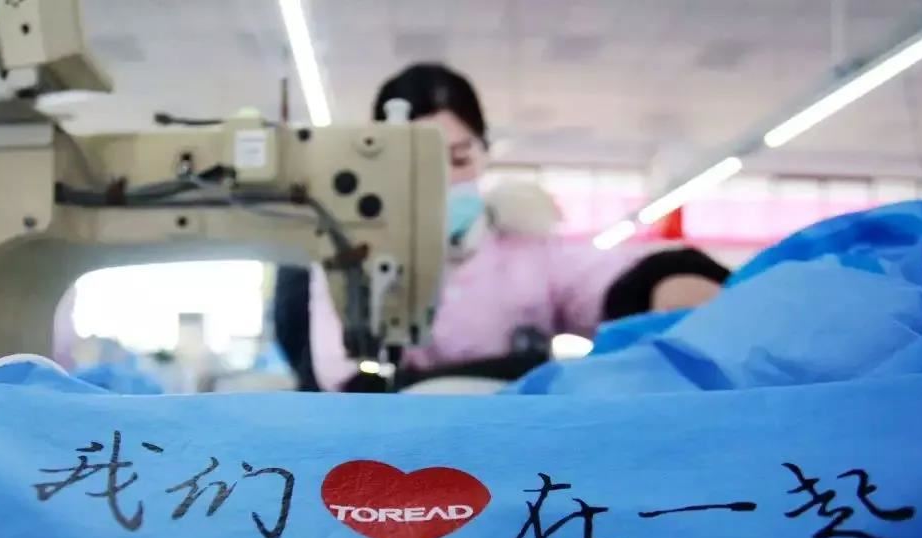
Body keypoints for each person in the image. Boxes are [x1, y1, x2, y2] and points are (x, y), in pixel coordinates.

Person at [275, 63, 729, 392]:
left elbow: (608, 281)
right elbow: (343, 376)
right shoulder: (350, 257)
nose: (444, 181)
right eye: (421, 166)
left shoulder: (530, 248)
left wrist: (668, 284)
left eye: (459, 159)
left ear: (485, 152)